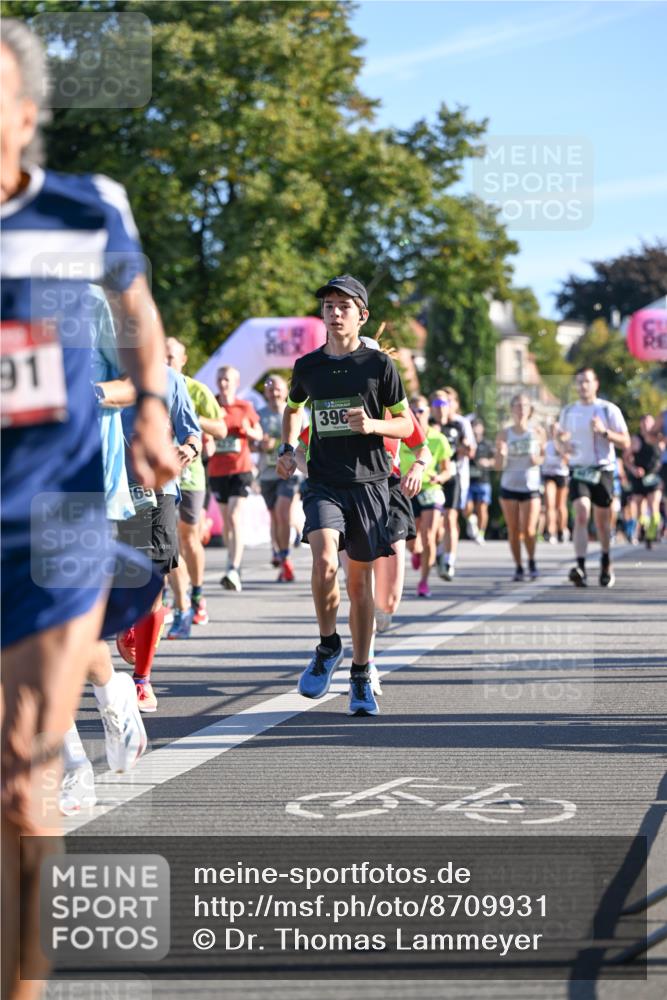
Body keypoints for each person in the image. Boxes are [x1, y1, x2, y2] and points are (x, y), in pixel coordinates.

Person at [1, 20, 179, 1000]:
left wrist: (149, 406)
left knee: (20, 777)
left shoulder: (84, 206)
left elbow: (139, 316)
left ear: (26, 115)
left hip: (55, 516)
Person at [276, 275, 412, 716]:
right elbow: (293, 409)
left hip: (369, 484)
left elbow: (407, 424)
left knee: (358, 583)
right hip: (324, 482)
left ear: (362, 316)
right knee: (323, 561)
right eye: (328, 306)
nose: (334, 313)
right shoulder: (308, 366)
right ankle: (327, 645)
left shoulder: (379, 366)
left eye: (344, 306)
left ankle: (360, 672)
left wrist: (373, 425)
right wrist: (286, 448)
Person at [112, 365, 202, 709]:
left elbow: (192, 433)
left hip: (157, 490)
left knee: (152, 579)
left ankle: (142, 680)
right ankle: (126, 618)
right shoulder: (94, 371)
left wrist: (189, 449)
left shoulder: (170, 378)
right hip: (109, 490)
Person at [165, 336, 227, 632]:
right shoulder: (148, 384)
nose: (165, 362)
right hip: (160, 476)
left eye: (170, 358)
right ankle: (174, 602)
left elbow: (222, 428)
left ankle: (198, 596)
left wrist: (188, 417)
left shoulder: (196, 389)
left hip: (190, 476)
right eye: (161, 356)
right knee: (166, 541)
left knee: (188, 538)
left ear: (183, 360)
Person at [557, 367, 630, 587]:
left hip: (602, 469)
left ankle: (606, 561)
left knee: (602, 522)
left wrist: (604, 432)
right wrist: (563, 446)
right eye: (579, 382)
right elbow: (560, 441)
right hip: (579, 470)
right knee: (581, 512)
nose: (583, 386)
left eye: (587, 381)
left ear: (596, 384)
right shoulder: (568, 411)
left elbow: (625, 442)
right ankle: (580, 567)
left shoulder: (608, 410)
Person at [208, 365, 262, 591]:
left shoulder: (244, 406)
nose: (223, 383)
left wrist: (248, 431)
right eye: (220, 379)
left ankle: (233, 567)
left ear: (236, 383)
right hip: (217, 471)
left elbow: (259, 434)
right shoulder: (211, 405)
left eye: (227, 379)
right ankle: (232, 560)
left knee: (234, 516)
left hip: (241, 469)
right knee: (226, 523)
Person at [405, 395, 453, 597]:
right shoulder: (402, 435)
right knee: (411, 541)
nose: (417, 415)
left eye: (421, 411)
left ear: (428, 413)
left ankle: (424, 581)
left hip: (430, 490)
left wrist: (439, 478)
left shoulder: (438, 438)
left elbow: (448, 470)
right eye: (413, 411)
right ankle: (416, 553)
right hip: (407, 490)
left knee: (429, 536)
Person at [495, 393, 546, 581]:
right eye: (517, 405)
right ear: (512, 409)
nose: (521, 409)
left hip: (530, 486)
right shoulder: (504, 434)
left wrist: (536, 460)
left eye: (524, 405)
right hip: (509, 486)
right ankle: (518, 566)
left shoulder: (537, 432)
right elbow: (497, 466)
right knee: (514, 530)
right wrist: (501, 455)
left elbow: (543, 457)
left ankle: (531, 560)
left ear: (530, 409)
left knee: (529, 530)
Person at [257, 373, 302, 582]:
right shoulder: (259, 415)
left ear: (285, 392)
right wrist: (259, 444)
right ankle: (281, 555)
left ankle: (285, 557)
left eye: (277, 389)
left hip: (291, 472)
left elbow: (307, 439)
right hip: (267, 473)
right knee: (275, 517)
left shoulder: (297, 412)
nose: (274, 393)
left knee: (283, 513)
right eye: (270, 389)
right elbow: (250, 443)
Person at [433, 387, 475, 580]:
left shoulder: (459, 424)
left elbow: (470, 451)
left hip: (454, 476)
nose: (442, 407)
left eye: (445, 403)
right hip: (432, 479)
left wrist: (464, 446)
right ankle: (437, 551)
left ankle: (449, 561)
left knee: (450, 519)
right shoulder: (429, 423)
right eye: (437, 403)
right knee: (435, 524)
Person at [623, 414, 663, 548]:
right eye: (644, 423)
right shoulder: (636, 439)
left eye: (649, 423)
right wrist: (633, 469)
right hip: (639, 478)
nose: (646, 425)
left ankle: (652, 535)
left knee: (654, 504)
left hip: (654, 477)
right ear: (640, 424)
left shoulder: (659, 438)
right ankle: (643, 530)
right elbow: (626, 458)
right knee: (640, 507)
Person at [464, 417, 495, 544]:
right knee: (467, 507)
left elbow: (496, 460)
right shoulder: (466, 443)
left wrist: (488, 462)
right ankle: (471, 521)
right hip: (468, 481)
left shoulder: (487, 444)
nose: (476, 429)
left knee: (482, 508)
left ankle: (481, 533)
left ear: (482, 429)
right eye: (473, 426)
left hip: (483, 481)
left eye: (478, 426)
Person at [541, 420, 570, 543]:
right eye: (551, 428)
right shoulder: (545, 444)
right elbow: (540, 457)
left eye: (555, 429)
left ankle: (562, 529)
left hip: (561, 475)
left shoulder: (564, 443)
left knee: (560, 505)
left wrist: (559, 446)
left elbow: (567, 460)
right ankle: (550, 531)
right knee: (549, 504)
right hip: (548, 475)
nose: (553, 431)